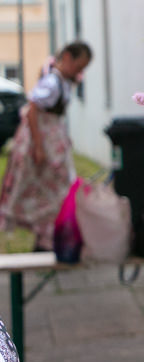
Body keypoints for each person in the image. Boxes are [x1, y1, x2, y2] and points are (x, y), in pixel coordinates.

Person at [0, 42, 92, 251]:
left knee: (56, 188)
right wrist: (39, 147)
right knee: (51, 188)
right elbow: (33, 109)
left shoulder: (61, 82)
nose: (80, 72)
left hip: (53, 142)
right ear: (67, 57)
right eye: (79, 66)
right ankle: (45, 238)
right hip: (44, 142)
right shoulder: (52, 82)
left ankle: (47, 237)